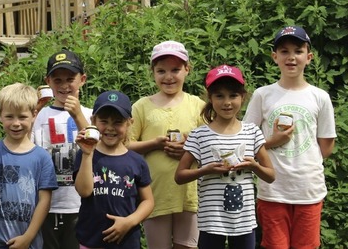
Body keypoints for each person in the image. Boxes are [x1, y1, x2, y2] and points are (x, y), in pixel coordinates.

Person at [243, 26, 336, 249]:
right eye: (284, 51)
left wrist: (303, 165)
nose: (291, 57)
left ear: (309, 57)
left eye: (298, 51)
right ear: (274, 57)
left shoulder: (320, 97)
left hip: (308, 190)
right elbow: (245, 139)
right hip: (272, 190)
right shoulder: (262, 95)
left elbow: (326, 146)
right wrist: (272, 142)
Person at [175, 65, 275, 249]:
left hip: (244, 221)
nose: (227, 102)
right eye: (219, 96)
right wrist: (205, 170)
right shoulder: (199, 135)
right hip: (210, 219)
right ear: (210, 98)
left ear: (243, 97)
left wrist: (254, 166)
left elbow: (270, 175)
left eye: (233, 95)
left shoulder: (252, 132)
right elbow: (179, 176)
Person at [127, 40, 203, 249]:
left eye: (175, 70)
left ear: (187, 69)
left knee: (188, 246)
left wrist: (189, 150)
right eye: (161, 71)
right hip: (154, 194)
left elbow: (212, 145)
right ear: (152, 72)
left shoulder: (197, 105)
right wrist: (154, 143)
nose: (168, 77)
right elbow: (125, 146)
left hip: (190, 194)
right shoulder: (142, 107)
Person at [0, 83, 58, 249]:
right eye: (9, 117)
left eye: (22, 117)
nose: (16, 123)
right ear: (0, 116)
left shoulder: (42, 157)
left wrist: (28, 237)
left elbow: (44, 201)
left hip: (29, 242)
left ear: (34, 114)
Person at [74, 90, 155, 249]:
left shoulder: (137, 161)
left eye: (118, 122)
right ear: (93, 121)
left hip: (127, 241)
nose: (110, 128)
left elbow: (148, 201)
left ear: (129, 123)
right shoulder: (85, 154)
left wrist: (130, 221)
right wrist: (87, 154)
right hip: (91, 240)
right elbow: (84, 191)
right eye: (104, 121)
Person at [31, 49, 91, 249]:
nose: (64, 86)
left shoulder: (91, 115)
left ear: (82, 79)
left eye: (70, 79)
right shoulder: (40, 116)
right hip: (47, 205)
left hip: (81, 205)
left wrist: (77, 116)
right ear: (48, 81)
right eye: (57, 80)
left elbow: (96, 148)